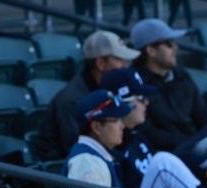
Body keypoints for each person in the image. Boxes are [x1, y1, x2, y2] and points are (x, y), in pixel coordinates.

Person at [99, 67, 201, 188]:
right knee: (164, 163)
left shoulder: (139, 137)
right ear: (122, 102)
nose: (146, 102)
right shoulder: (112, 148)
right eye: (139, 98)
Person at [31, 31, 140, 162]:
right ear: (100, 63)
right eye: (118, 59)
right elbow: (79, 151)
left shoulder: (108, 90)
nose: (125, 66)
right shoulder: (72, 100)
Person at [130, 18, 207, 152]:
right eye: (168, 44)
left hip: (195, 151)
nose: (175, 48)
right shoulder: (134, 83)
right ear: (151, 50)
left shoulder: (182, 76)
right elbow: (148, 133)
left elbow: (203, 117)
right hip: (164, 156)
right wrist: (192, 143)